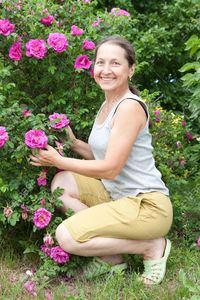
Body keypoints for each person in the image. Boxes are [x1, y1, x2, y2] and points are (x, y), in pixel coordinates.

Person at [30, 36, 173, 285]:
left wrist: (58, 160)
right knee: (63, 182)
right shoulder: (108, 104)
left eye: (115, 63)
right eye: (100, 62)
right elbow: (104, 156)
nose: (106, 70)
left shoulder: (129, 107)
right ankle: (111, 255)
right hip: (119, 198)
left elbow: (109, 168)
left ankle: (150, 245)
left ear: (131, 69)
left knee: (66, 237)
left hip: (148, 206)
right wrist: (73, 143)